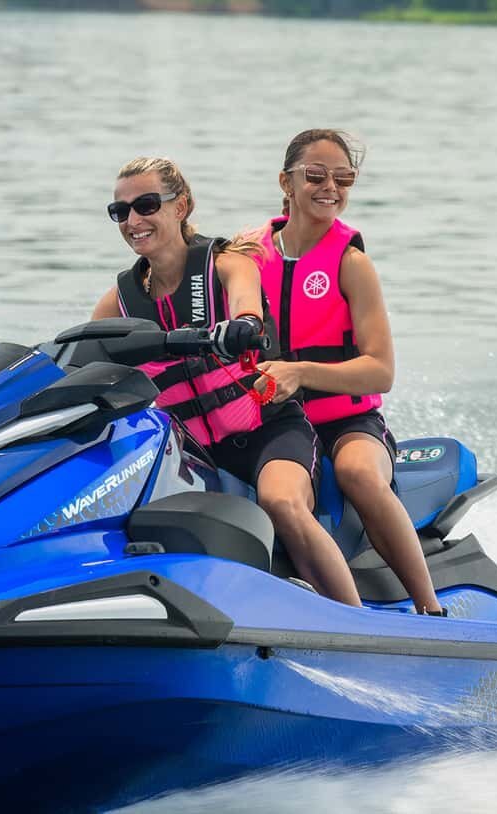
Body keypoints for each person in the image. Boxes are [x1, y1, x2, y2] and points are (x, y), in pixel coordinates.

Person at [91, 157, 362, 607]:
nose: (133, 221)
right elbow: (81, 357)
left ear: (181, 206)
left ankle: (357, 619)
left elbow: (246, 304)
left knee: (281, 502)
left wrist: (243, 325)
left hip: (269, 433)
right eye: (120, 211)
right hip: (191, 455)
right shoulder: (117, 303)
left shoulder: (227, 265)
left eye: (146, 205)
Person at [249, 130, 445, 616]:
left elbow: (380, 371)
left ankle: (430, 609)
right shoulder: (247, 255)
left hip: (347, 422)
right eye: (315, 175)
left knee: (358, 472)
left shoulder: (352, 263)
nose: (330, 188)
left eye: (344, 178)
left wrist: (300, 372)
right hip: (274, 422)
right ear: (286, 182)